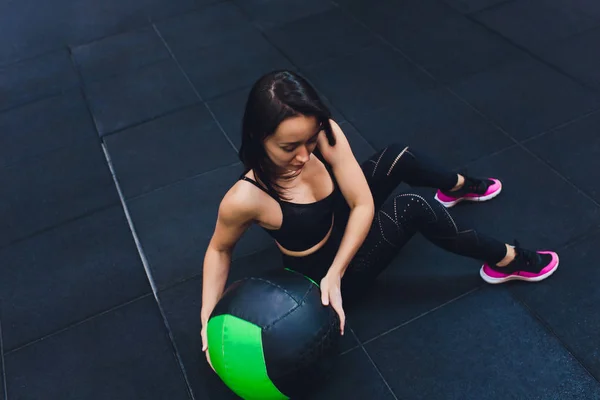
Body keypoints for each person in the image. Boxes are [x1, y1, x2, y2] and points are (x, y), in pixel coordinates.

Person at [200, 70, 559, 368]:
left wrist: (336, 268)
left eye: (308, 142)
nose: (303, 156)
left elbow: (361, 205)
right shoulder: (245, 198)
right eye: (288, 148)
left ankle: (458, 187)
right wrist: (208, 320)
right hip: (324, 281)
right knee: (411, 206)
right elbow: (219, 249)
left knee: (397, 156)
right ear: (257, 138)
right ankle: (507, 260)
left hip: (338, 255)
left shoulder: (322, 134)